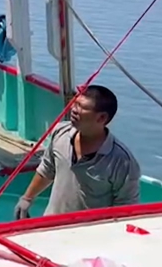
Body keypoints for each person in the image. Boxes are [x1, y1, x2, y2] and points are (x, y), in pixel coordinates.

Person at [14, 85, 140, 219]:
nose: (73, 110)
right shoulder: (60, 132)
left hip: (87, 235)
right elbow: (47, 169)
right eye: (75, 103)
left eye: (82, 107)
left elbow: (126, 208)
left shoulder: (122, 161)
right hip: (50, 226)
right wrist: (27, 198)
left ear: (102, 118)